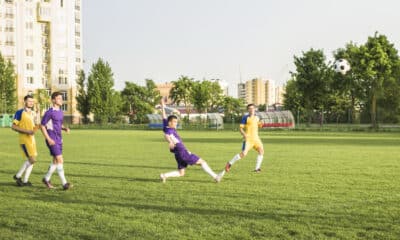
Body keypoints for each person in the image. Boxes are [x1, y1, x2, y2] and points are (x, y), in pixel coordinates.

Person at [159, 98, 225, 183]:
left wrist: (162, 106)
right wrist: (170, 142)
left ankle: (164, 176)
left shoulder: (166, 126)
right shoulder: (169, 130)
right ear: (170, 123)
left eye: (176, 121)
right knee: (202, 162)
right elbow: (166, 135)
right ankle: (216, 176)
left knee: (181, 173)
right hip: (182, 151)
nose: (176, 123)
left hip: (178, 153)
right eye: (174, 122)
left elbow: (164, 117)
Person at [40, 92, 72, 190]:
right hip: (52, 139)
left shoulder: (60, 112)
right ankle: (64, 183)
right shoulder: (49, 112)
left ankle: (46, 179)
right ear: (53, 100)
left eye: (61, 98)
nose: (61, 100)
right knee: (60, 159)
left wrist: (64, 128)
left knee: (55, 161)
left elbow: (58, 125)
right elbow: (42, 126)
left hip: (59, 139)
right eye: (58, 98)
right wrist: (48, 139)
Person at [226, 103, 264, 173]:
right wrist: (244, 134)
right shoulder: (245, 118)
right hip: (248, 139)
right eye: (250, 108)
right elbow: (240, 128)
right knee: (243, 154)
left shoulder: (257, 117)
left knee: (261, 151)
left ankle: (257, 168)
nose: (252, 110)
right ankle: (229, 163)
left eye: (253, 108)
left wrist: (261, 124)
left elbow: (260, 125)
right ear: (248, 110)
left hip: (256, 139)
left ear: (255, 109)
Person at [12, 95, 40, 186]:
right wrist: (27, 131)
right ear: (25, 102)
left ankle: (25, 181)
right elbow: (13, 126)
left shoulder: (32, 113)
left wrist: (38, 115)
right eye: (29, 101)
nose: (31, 103)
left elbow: (36, 127)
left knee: (32, 161)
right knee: (32, 160)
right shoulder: (20, 112)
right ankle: (18, 175)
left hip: (32, 140)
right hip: (24, 140)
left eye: (32, 101)